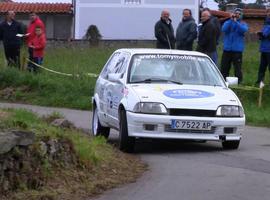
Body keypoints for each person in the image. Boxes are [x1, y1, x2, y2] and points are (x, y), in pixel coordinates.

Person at [220, 8, 248, 84]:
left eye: (239, 13)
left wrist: (236, 22)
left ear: (241, 15)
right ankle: (223, 82)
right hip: (227, 49)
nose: (237, 15)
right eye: (236, 13)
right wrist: (230, 20)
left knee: (237, 68)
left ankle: (239, 83)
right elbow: (224, 29)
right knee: (224, 67)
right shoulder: (228, 22)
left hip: (237, 50)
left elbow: (243, 30)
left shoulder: (243, 23)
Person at [255, 10, 270, 86]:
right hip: (264, 49)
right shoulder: (265, 25)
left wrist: (262, 34)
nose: (268, 14)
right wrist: (260, 35)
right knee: (262, 67)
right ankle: (259, 82)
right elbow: (263, 36)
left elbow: (266, 35)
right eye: (268, 13)